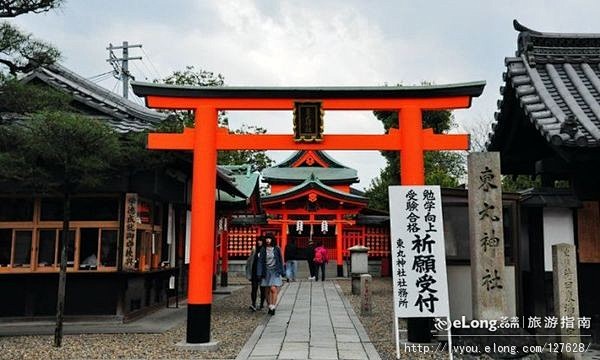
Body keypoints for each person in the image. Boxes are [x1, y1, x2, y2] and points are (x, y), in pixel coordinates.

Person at [257, 233, 284, 315]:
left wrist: (282, 271)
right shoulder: (263, 249)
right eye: (267, 238)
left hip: (275, 270)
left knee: (273, 288)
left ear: (272, 239)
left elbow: (280, 260)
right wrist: (259, 273)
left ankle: (273, 305)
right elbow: (260, 261)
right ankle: (269, 305)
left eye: (269, 238)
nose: (268, 240)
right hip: (266, 271)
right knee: (267, 289)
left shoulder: (277, 248)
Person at [245, 237, 266, 311]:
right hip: (254, 272)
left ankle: (261, 304)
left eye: (260, 240)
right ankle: (253, 303)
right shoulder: (254, 250)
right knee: (254, 288)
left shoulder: (265, 250)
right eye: (258, 240)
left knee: (262, 289)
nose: (259, 242)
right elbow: (250, 260)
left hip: (262, 273)